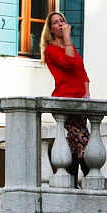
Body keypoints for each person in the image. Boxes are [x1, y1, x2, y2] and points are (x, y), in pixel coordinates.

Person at [41, 11, 91, 185]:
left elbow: (82, 70)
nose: (60, 24)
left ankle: (71, 181)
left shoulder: (71, 47)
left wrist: (87, 93)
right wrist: (68, 39)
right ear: (51, 30)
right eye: (55, 22)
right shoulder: (51, 50)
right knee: (83, 139)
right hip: (65, 98)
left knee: (74, 141)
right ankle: (90, 177)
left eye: (62, 20)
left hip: (80, 99)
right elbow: (69, 63)